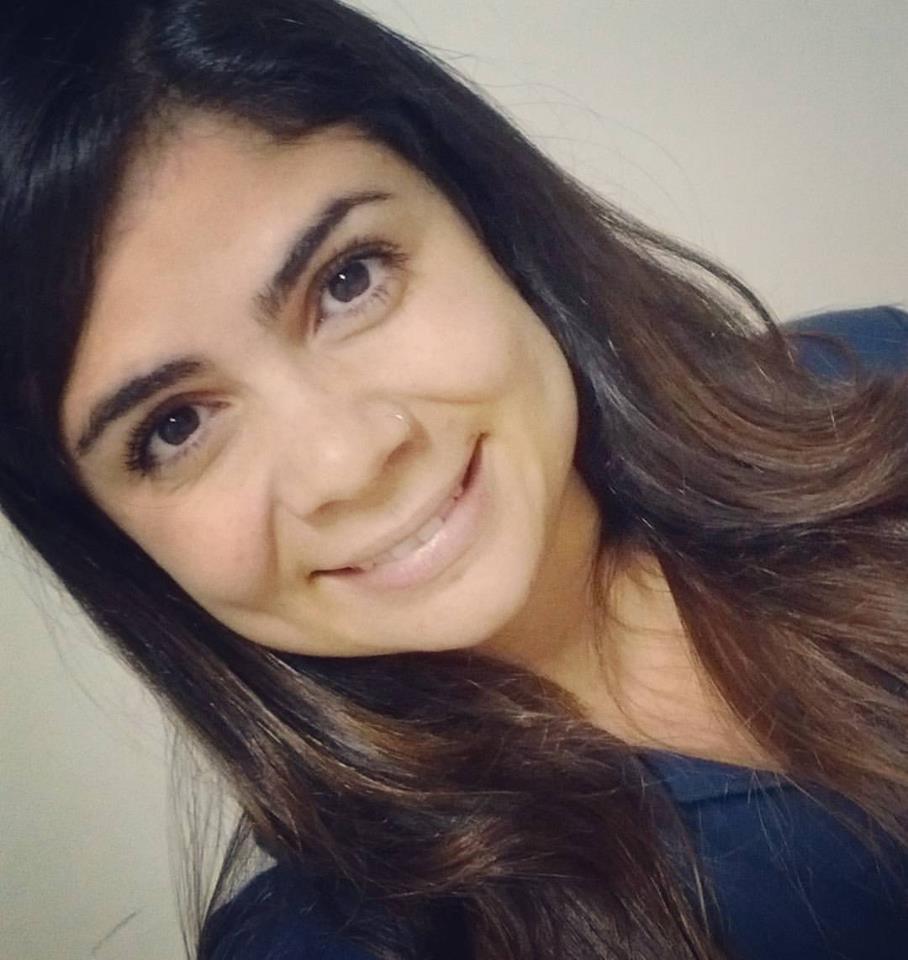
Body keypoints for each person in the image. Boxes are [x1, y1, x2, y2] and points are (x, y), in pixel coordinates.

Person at [1, 2, 906, 958]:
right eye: (174, 427)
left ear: (483, 215)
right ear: (109, 532)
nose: (348, 462)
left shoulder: (871, 387)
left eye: (349, 280)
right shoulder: (342, 942)